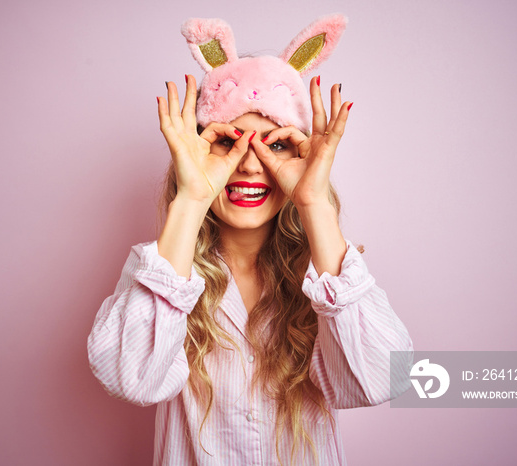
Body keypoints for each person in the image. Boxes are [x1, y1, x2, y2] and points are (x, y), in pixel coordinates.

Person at [88, 14, 413, 466]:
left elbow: (384, 378)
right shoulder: (160, 270)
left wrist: (315, 203)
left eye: (275, 145)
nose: (250, 165)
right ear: (199, 149)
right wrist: (192, 197)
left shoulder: (330, 272)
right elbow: (131, 379)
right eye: (228, 141)